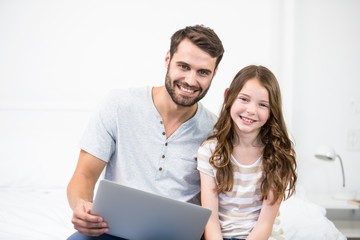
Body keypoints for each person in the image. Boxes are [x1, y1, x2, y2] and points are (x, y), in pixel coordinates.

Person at [66, 24, 224, 240]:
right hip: (113, 230)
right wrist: (82, 207)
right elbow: (84, 174)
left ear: (214, 74)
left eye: (203, 72)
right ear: (168, 59)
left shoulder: (216, 131)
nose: (190, 80)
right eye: (183, 66)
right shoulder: (119, 105)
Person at [197, 65, 297, 240]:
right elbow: (210, 220)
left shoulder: (277, 155)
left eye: (263, 105)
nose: (251, 110)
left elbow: (265, 224)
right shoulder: (210, 152)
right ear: (229, 97)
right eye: (244, 99)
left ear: (272, 110)